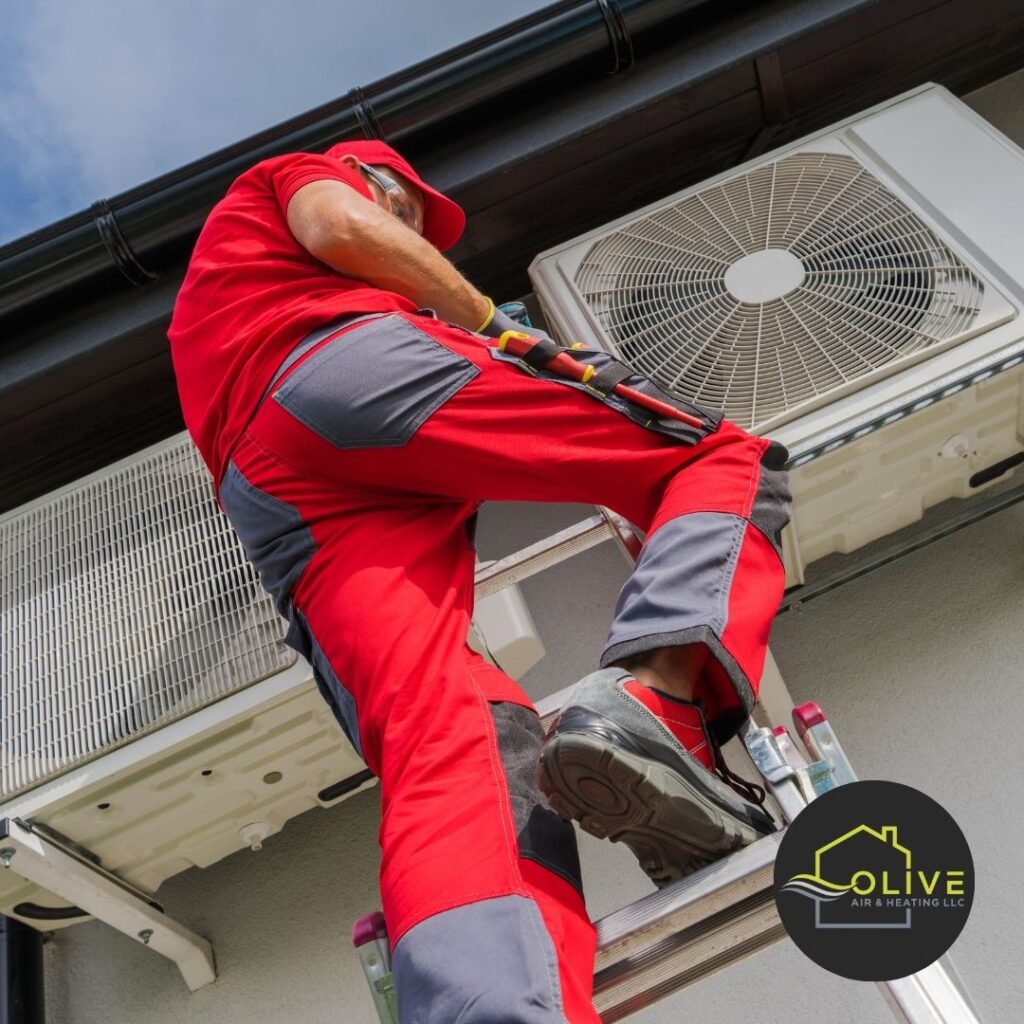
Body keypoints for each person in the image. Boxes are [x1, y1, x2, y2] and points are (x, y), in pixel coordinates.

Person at [168, 139, 792, 1023]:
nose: (421, 239)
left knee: (453, 731)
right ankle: (659, 704)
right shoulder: (302, 176)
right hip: (337, 366)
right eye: (414, 215)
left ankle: (489, 1006)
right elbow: (339, 225)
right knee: (720, 457)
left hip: (270, 491)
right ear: (377, 182)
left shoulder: (215, 304)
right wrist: (492, 324)